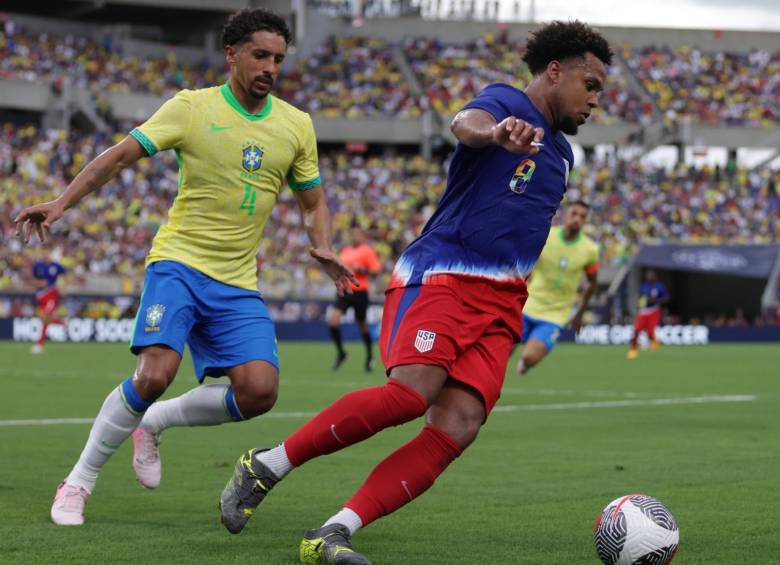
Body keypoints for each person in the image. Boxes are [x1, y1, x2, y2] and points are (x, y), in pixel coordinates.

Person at [219, 20, 612, 564]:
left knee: (459, 425)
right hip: (444, 277)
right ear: (554, 71)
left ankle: (333, 533)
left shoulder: (563, 156)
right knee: (409, 395)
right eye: (589, 85)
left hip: (502, 305)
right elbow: (465, 123)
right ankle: (267, 465)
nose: (595, 101)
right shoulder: (504, 104)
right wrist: (495, 133)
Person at [13, 8, 355, 526]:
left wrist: (324, 246)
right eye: (260, 55)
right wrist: (62, 204)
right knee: (155, 374)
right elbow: (119, 156)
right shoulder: (191, 108)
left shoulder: (296, 125)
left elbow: (312, 202)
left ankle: (153, 424)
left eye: (279, 59)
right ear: (232, 55)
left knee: (260, 391)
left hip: (238, 281)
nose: (270, 67)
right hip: (179, 263)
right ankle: (78, 481)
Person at [517, 201, 599, 374]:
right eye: (574, 214)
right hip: (527, 306)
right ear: (565, 214)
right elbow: (525, 264)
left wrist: (580, 313)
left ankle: (526, 363)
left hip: (556, 315)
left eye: (582, 217)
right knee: (501, 353)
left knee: (529, 357)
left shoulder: (590, 250)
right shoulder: (546, 235)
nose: (577, 219)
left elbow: (593, 281)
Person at [328, 225, 382, 372]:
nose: (355, 236)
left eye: (358, 234)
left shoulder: (367, 251)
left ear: (363, 236)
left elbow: (376, 271)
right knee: (333, 321)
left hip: (360, 291)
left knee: (362, 325)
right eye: (353, 234)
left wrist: (361, 269)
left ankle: (370, 356)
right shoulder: (345, 251)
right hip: (345, 290)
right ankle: (341, 353)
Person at [30, 248, 67, 354]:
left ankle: (39, 344)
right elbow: (32, 280)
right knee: (45, 319)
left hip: (51, 293)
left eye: (48, 253)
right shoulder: (38, 266)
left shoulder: (56, 266)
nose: (46, 255)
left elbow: (65, 275)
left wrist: (64, 286)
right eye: (44, 253)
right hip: (41, 295)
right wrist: (39, 283)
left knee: (45, 317)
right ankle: (62, 322)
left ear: (50, 254)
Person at [627, 269, 668, 359]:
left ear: (655, 276)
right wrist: (639, 307)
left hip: (654, 310)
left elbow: (666, 298)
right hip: (643, 311)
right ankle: (633, 350)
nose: (649, 277)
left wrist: (656, 300)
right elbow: (641, 298)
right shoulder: (644, 286)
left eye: (651, 275)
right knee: (637, 330)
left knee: (650, 331)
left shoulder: (659, 286)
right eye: (648, 275)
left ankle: (654, 342)